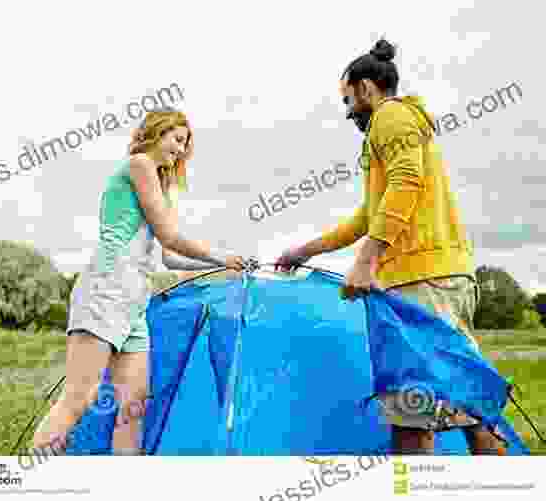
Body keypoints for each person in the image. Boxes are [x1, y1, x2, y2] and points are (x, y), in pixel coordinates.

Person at [275, 39, 505, 455]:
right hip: (438, 275)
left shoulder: (391, 116)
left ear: (366, 89)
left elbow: (405, 184)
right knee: (470, 405)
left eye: (347, 100)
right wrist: (305, 251)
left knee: (410, 414)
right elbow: (369, 214)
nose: (347, 112)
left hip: (422, 281)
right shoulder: (398, 123)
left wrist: (366, 261)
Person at [32, 107, 247, 455]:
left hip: (135, 300)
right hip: (106, 288)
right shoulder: (139, 165)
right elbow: (171, 236)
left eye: (185, 144)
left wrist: (225, 266)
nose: (180, 149)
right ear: (157, 132)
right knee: (79, 397)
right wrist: (219, 256)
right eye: (177, 139)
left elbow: (169, 255)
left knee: (134, 406)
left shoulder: (161, 186)